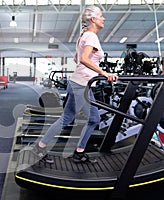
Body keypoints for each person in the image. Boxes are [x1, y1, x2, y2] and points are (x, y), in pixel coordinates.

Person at [32, 5, 118, 164]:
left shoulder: (84, 35)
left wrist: (93, 71)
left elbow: (77, 59)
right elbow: (84, 59)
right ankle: (53, 148)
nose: (103, 18)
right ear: (93, 19)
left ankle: (65, 150)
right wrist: (104, 73)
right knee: (81, 118)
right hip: (81, 84)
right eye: (101, 16)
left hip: (80, 82)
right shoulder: (91, 36)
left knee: (81, 118)